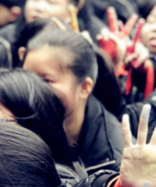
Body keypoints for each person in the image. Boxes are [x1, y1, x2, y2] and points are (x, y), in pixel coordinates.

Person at [22, 29, 124, 174]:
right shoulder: (13, 119)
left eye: (46, 80)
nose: (29, 88)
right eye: (25, 77)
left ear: (84, 87)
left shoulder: (113, 159)